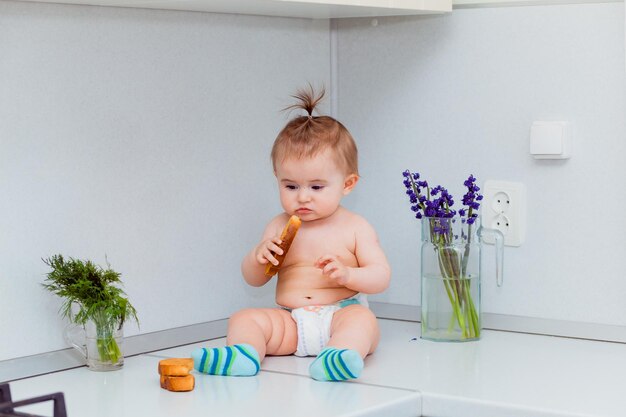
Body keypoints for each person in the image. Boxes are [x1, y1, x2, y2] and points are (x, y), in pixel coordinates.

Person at [191, 86, 391, 382]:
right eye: (291, 186)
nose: (303, 198)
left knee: (364, 322)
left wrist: (348, 275)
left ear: (347, 184)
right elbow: (254, 279)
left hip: (340, 314)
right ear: (277, 180)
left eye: (316, 187)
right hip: (292, 322)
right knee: (244, 318)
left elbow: (381, 276)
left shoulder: (355, 227)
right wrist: (257, 258)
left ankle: (338, 357)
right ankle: (245, 354)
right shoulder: (278, 226)